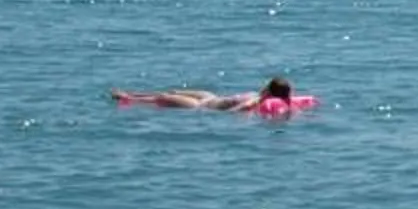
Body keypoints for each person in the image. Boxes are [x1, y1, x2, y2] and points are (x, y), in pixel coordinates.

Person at [112, 76, 295, 112]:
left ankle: (128, 99)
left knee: (163, 99)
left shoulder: (256, 101)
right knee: (172, 92)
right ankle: (132, 94)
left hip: (200, 106)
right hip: (211, 97)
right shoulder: (257, 96)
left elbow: (237, 110)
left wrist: (245, 110)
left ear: (269, 89)